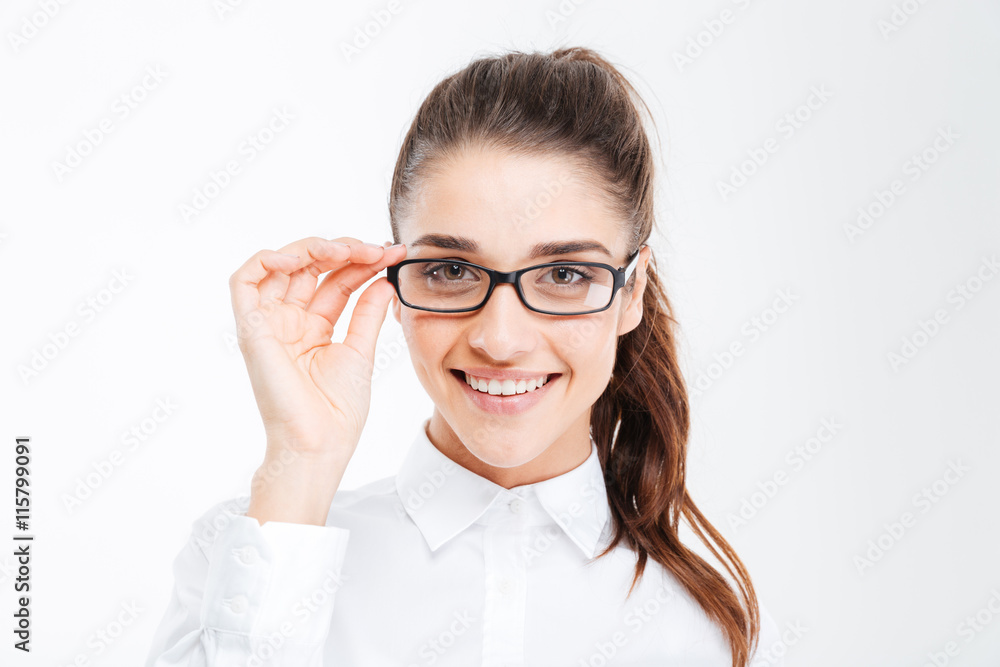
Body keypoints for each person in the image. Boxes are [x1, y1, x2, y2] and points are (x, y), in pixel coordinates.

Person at [145, 46, 786, 667]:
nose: (501, 340)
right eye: (451, 269)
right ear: (393, 280)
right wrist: (301, 459)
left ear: (632, 291)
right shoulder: (251, 552)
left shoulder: (708, 624)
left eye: (564, 275)